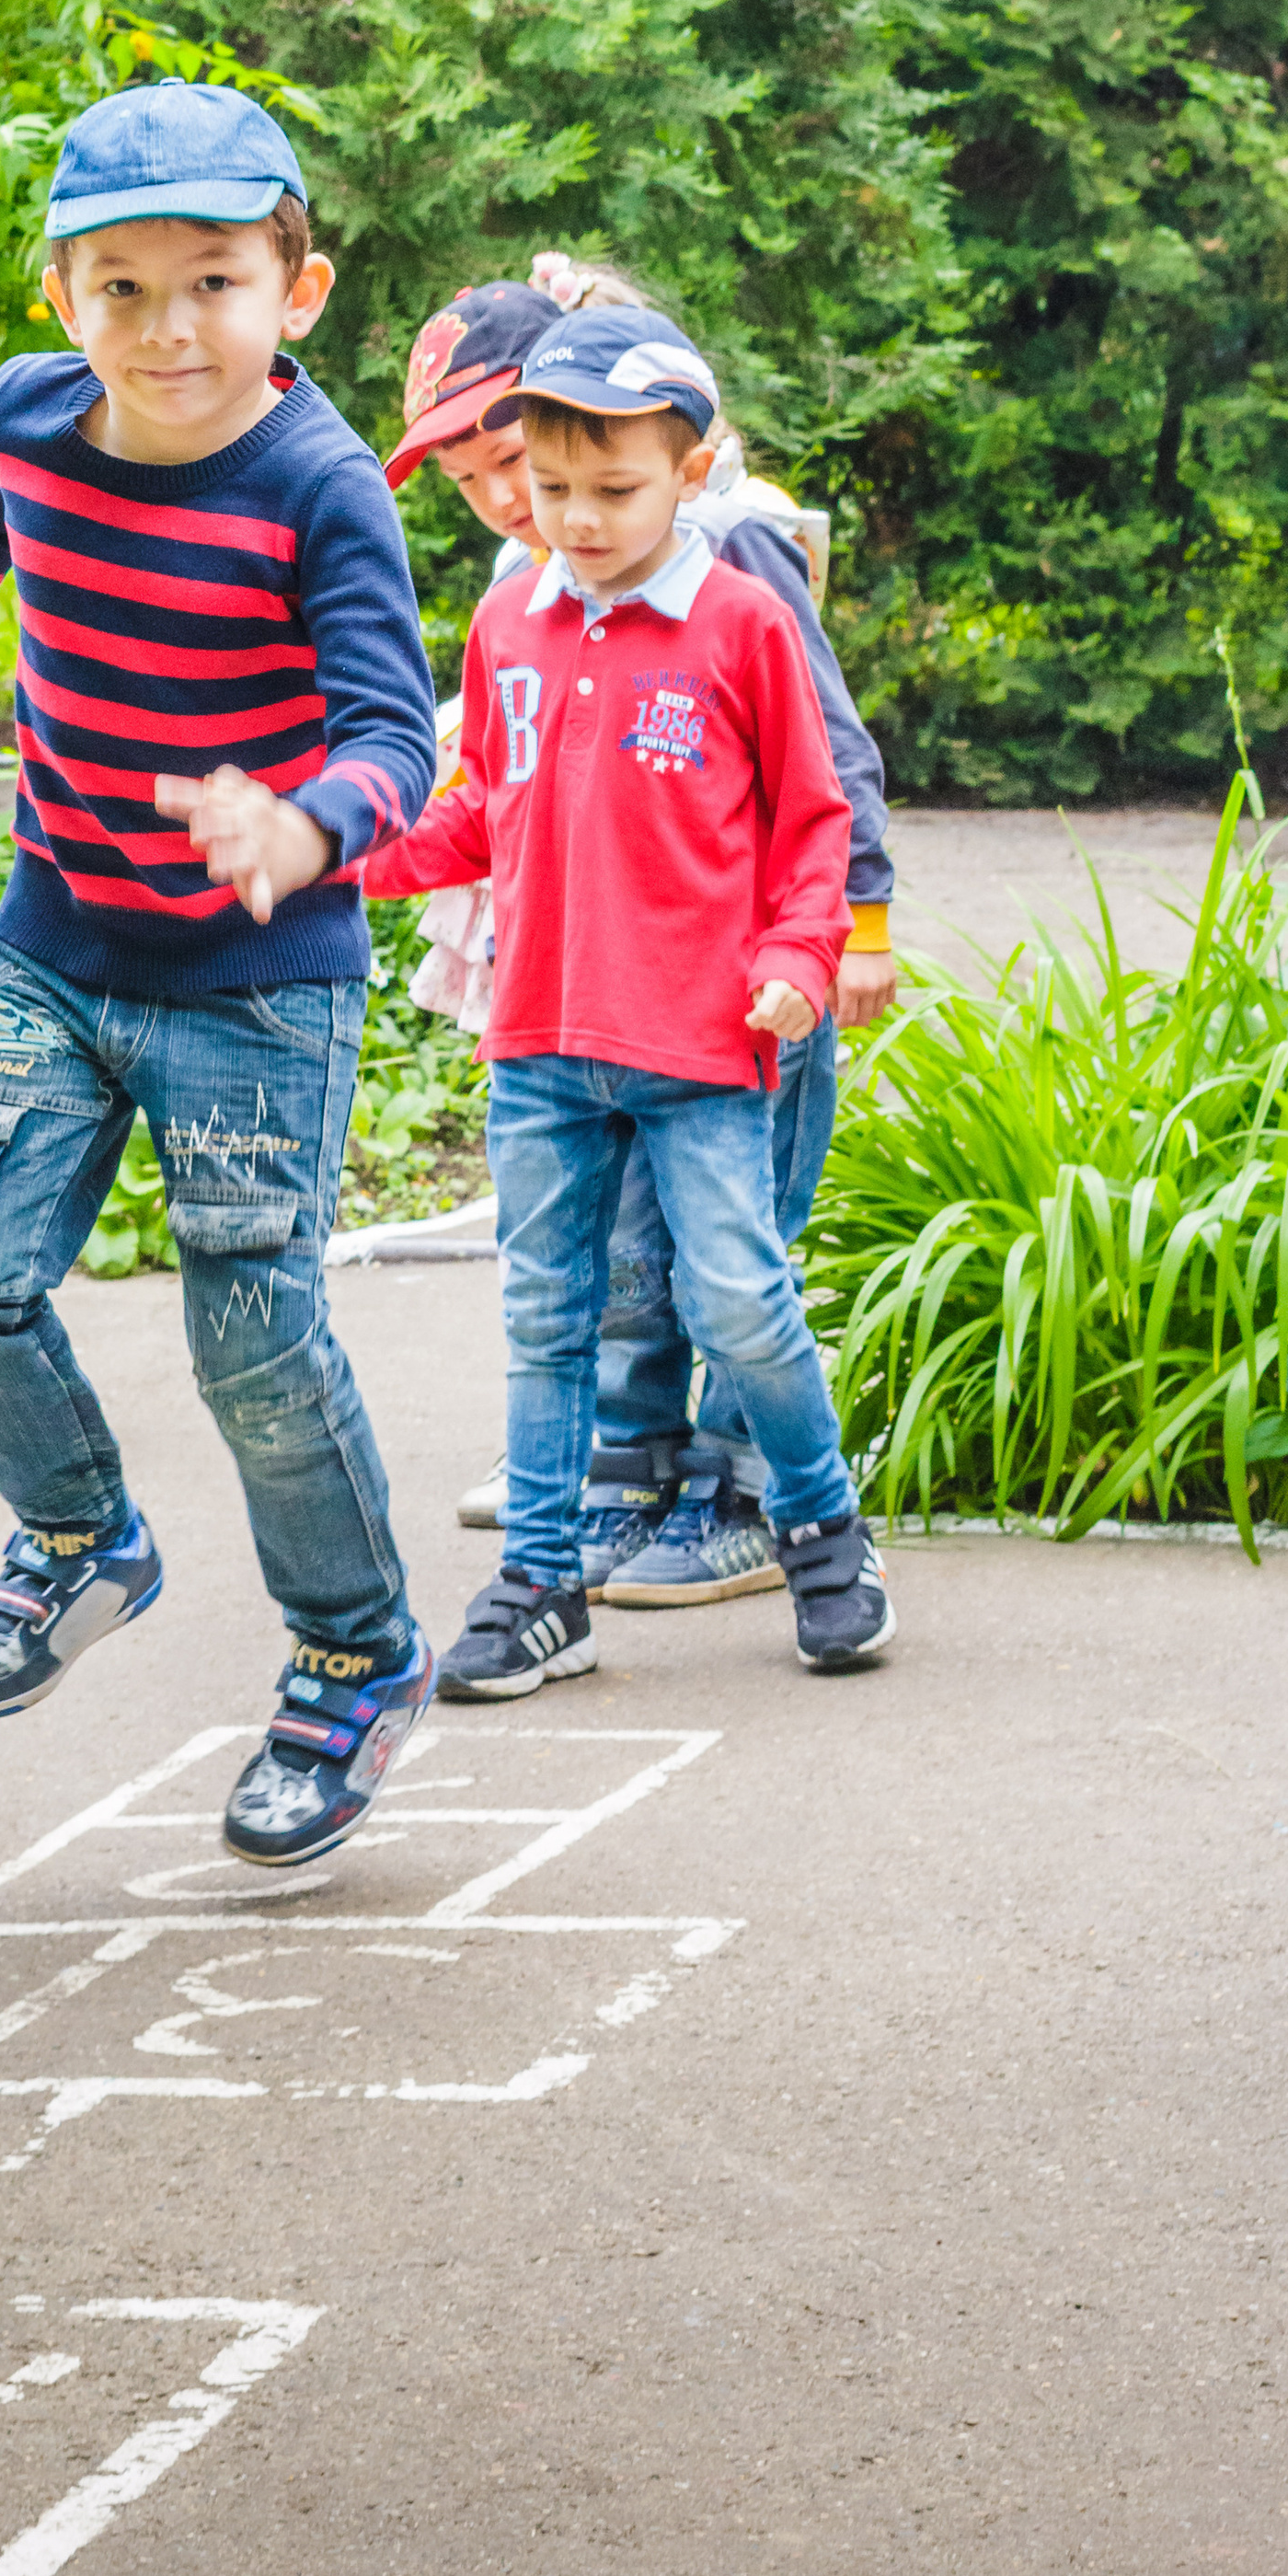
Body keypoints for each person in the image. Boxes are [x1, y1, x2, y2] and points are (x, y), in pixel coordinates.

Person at [0, 81, 442, 1869]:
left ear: (294, 295)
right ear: (59, 297)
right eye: (123, 291)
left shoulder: (317, 488)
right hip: (62, 948)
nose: (170, 331)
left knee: (250, 1335)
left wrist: (307, 829)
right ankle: (81, 1543)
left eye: (215, 285)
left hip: (258, 982)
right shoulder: (27, 421)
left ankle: (351, 1657)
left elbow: (397, 734)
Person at [363, 304, 896, 1682]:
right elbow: (484, 804)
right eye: (550, 491)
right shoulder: (507, 622)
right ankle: (541, 1583)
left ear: (692, 463)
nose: (579, 520)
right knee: (548, 1316)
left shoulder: (742, 622)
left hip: (705, 1046)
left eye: (615, 490)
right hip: (538, 1040)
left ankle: (821, 1525)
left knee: (739, 1299)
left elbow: (812, 817)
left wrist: (798, 960)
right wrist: (353, 855)